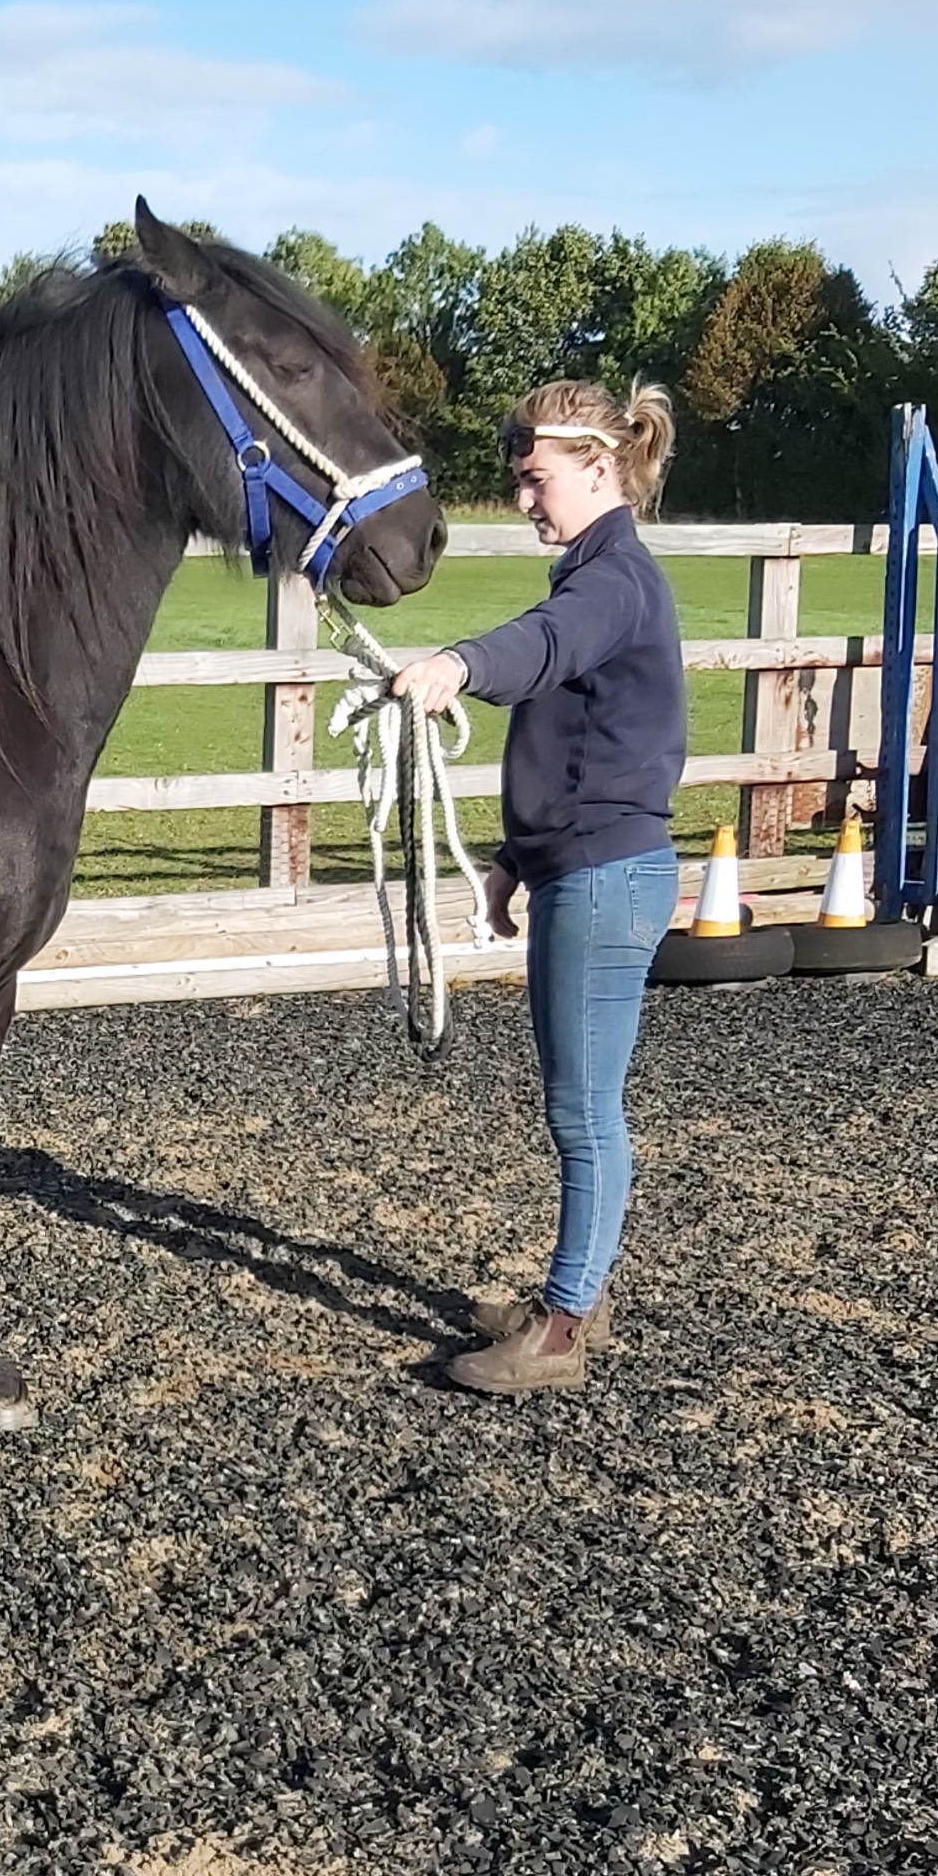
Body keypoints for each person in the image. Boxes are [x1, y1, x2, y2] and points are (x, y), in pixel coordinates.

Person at [391, 378, 685, 1395]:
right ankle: (576, 1292)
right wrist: (516, 859)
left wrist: (458, 666)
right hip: (586, 867)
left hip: (605, 878)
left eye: (533, 478)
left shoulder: (610, 584)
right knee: (581, 1103)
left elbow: (542, 650)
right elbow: (581, 735)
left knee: (582, 1109)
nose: (522, 499)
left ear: (597, 466)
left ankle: (560, 1330)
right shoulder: (597, 578)